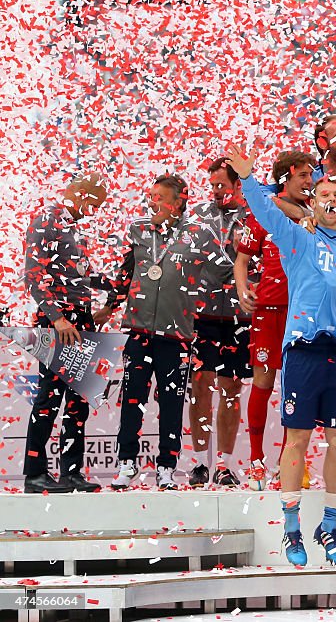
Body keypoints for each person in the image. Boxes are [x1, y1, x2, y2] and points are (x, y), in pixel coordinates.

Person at [228, 143, 336, 567]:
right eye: (324, 195)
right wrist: (246, 177)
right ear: (312, 201)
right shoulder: (296, 235)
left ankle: (329, 526)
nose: (332, 200)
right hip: (302, 350)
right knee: (297, 437)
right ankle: (291, 525)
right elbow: (263, 210)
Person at [107, 174, 220, 490]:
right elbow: (125, 273)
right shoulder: (139, 231)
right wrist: (108, 306)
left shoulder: (199, 235)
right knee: (132, 400)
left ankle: (167, 468)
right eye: (150, 195)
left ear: (178, 202)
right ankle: (126, 464)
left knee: (171, 405)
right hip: (139, 332)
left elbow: (225, 270)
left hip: (177, 338)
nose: (151, 201)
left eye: (158, 197)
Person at [22, 172, 109, 493]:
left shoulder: (74, 229)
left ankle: (71, 472)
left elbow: (79, 276)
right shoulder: (46, 220)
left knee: (77, 400)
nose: (95, 211)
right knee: (49, 396)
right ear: (80, 192)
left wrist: (112, 288)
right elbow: (33, 274)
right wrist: (57, 318)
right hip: (57, 323)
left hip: (80, 320)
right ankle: (34, 474)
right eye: (94, 203)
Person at [234, 150, 315, 489]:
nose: (310, 182)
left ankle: (287, 464)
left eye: (312, 176)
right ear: (286, 178)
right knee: (263, 385)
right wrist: (242, 288)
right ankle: (255, 461)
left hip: (303, 312)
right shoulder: (264, 213)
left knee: (295, 389)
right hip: (269, 310)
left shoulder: (317, 216)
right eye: (304, 176)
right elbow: (242, 258)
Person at [188, 158, 252, 487]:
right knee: (201, 386)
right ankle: (200, 463)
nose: (215, 192)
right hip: (204, 315)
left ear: (238, 185)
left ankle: (224, 464)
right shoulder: (197, 217)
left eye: (222, 187)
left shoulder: (255, 215)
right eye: (211, 186)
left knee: (231, 390)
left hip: (241, 317)